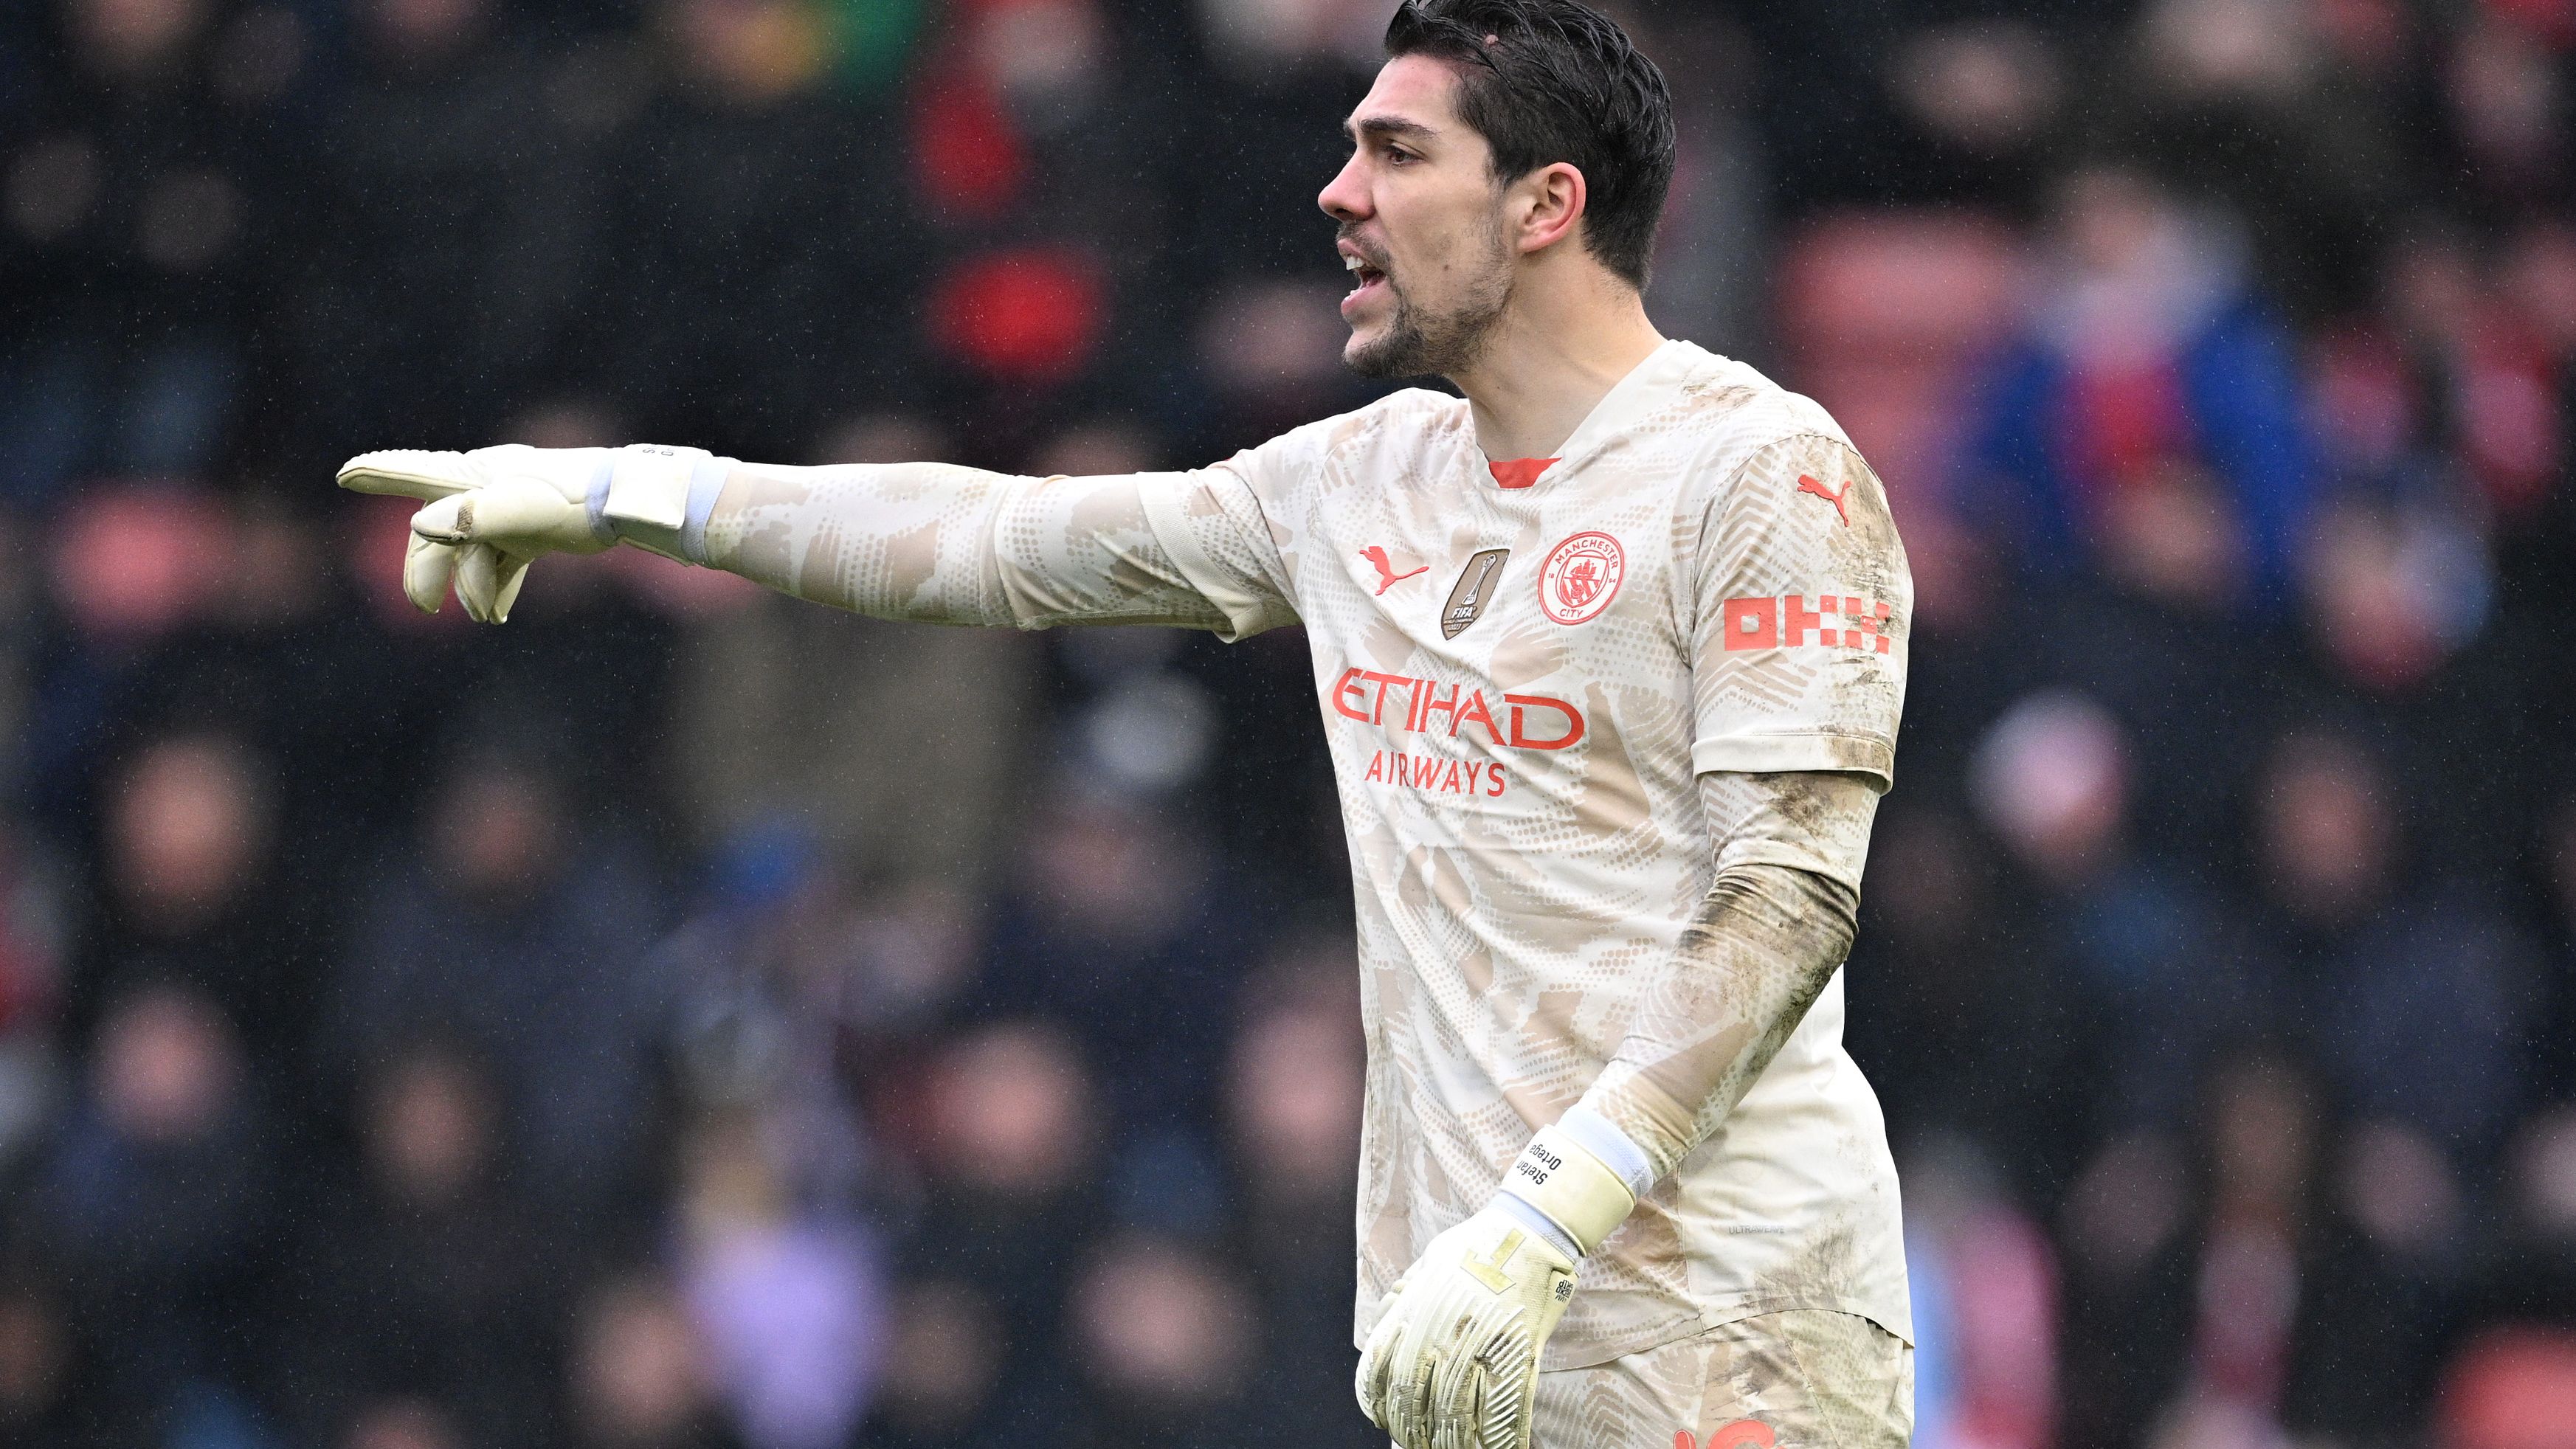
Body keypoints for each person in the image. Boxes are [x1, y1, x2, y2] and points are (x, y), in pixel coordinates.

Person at [332, 1, 1916, 1444]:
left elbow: (1784, 902)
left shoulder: (1763, 477)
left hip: (1726, 1316)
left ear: (1545, 206)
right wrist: (634, 496)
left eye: (1396, 153)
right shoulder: (1359, 482)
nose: (1337, 193)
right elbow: (991, 541)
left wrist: (1550, 1212)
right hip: (1474, 1317)